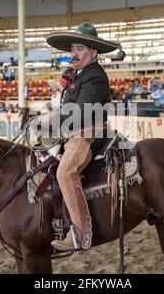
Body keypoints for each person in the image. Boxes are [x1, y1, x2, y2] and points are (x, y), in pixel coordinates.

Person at [42, 22, 120, 251]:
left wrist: (53, 121)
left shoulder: (94, 76)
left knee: (65, 172)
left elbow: (83, 112)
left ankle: (79, 233)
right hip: (74, 131)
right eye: (72, 49)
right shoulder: (80, 73)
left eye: (80, 49)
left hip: (88, 135)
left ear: (93, 52)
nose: (73, 54)